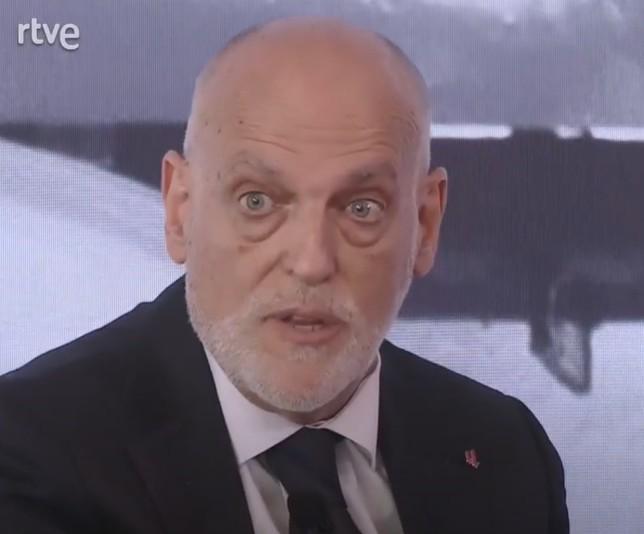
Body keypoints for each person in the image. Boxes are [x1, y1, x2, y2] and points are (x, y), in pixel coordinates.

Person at [0, 16, 568, 534]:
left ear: (425, 224)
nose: (311, 261)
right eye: (257, 202)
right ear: (179, 211)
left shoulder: (508, 453)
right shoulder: (29, 452)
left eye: (362, 208)